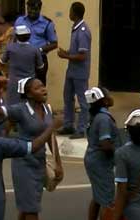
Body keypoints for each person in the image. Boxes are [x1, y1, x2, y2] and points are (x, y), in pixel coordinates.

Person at [0, 76, 63, 220]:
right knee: (31, 207)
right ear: (28, 94)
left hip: (39, 162)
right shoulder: (20, 110)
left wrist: (58, 163)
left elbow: (50, 137)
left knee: (27, 203)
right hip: (23, 163)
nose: (44, 89)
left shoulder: (46, 109)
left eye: (43, 86)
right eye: (39, 88)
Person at [83, 87, 119, 220]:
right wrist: (120, 154)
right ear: (104, 100)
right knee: (108, 201)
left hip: (92, 159)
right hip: (101, 162)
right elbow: (106, 144)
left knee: (98, 197)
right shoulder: (104, 119)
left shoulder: (96, 116)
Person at [58, 2, 92, 139]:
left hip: (80, 72)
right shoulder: (75, 29)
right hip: (72, 70)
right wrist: (67, 52)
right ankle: (68, 125)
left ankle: (82, 128)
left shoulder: (83, 31)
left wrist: (65, 56)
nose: (69, 13)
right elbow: (76, 51)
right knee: (68, 97)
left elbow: (83, 55)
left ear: (75, 13)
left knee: (82, 101)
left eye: (70, 11)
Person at [15, 0, 59, 85]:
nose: (32, 11)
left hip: (38, 59)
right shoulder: (20, 21)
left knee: (38, 86)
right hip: (22, 58)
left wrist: (40, 50)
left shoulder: (47, 23)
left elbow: (54, 43)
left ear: (40, 9)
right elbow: (14, 38)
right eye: (30, 9)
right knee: (22, 86)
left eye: (35, 9)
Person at [0, 25, 45, 105]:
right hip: (29, 83)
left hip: (14, 82)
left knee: (13, 105)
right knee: (28, 105)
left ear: (16, 36)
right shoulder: (34, 49)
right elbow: (40, 67)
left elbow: (2, 62)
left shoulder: (10, 48)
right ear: (29, 36)